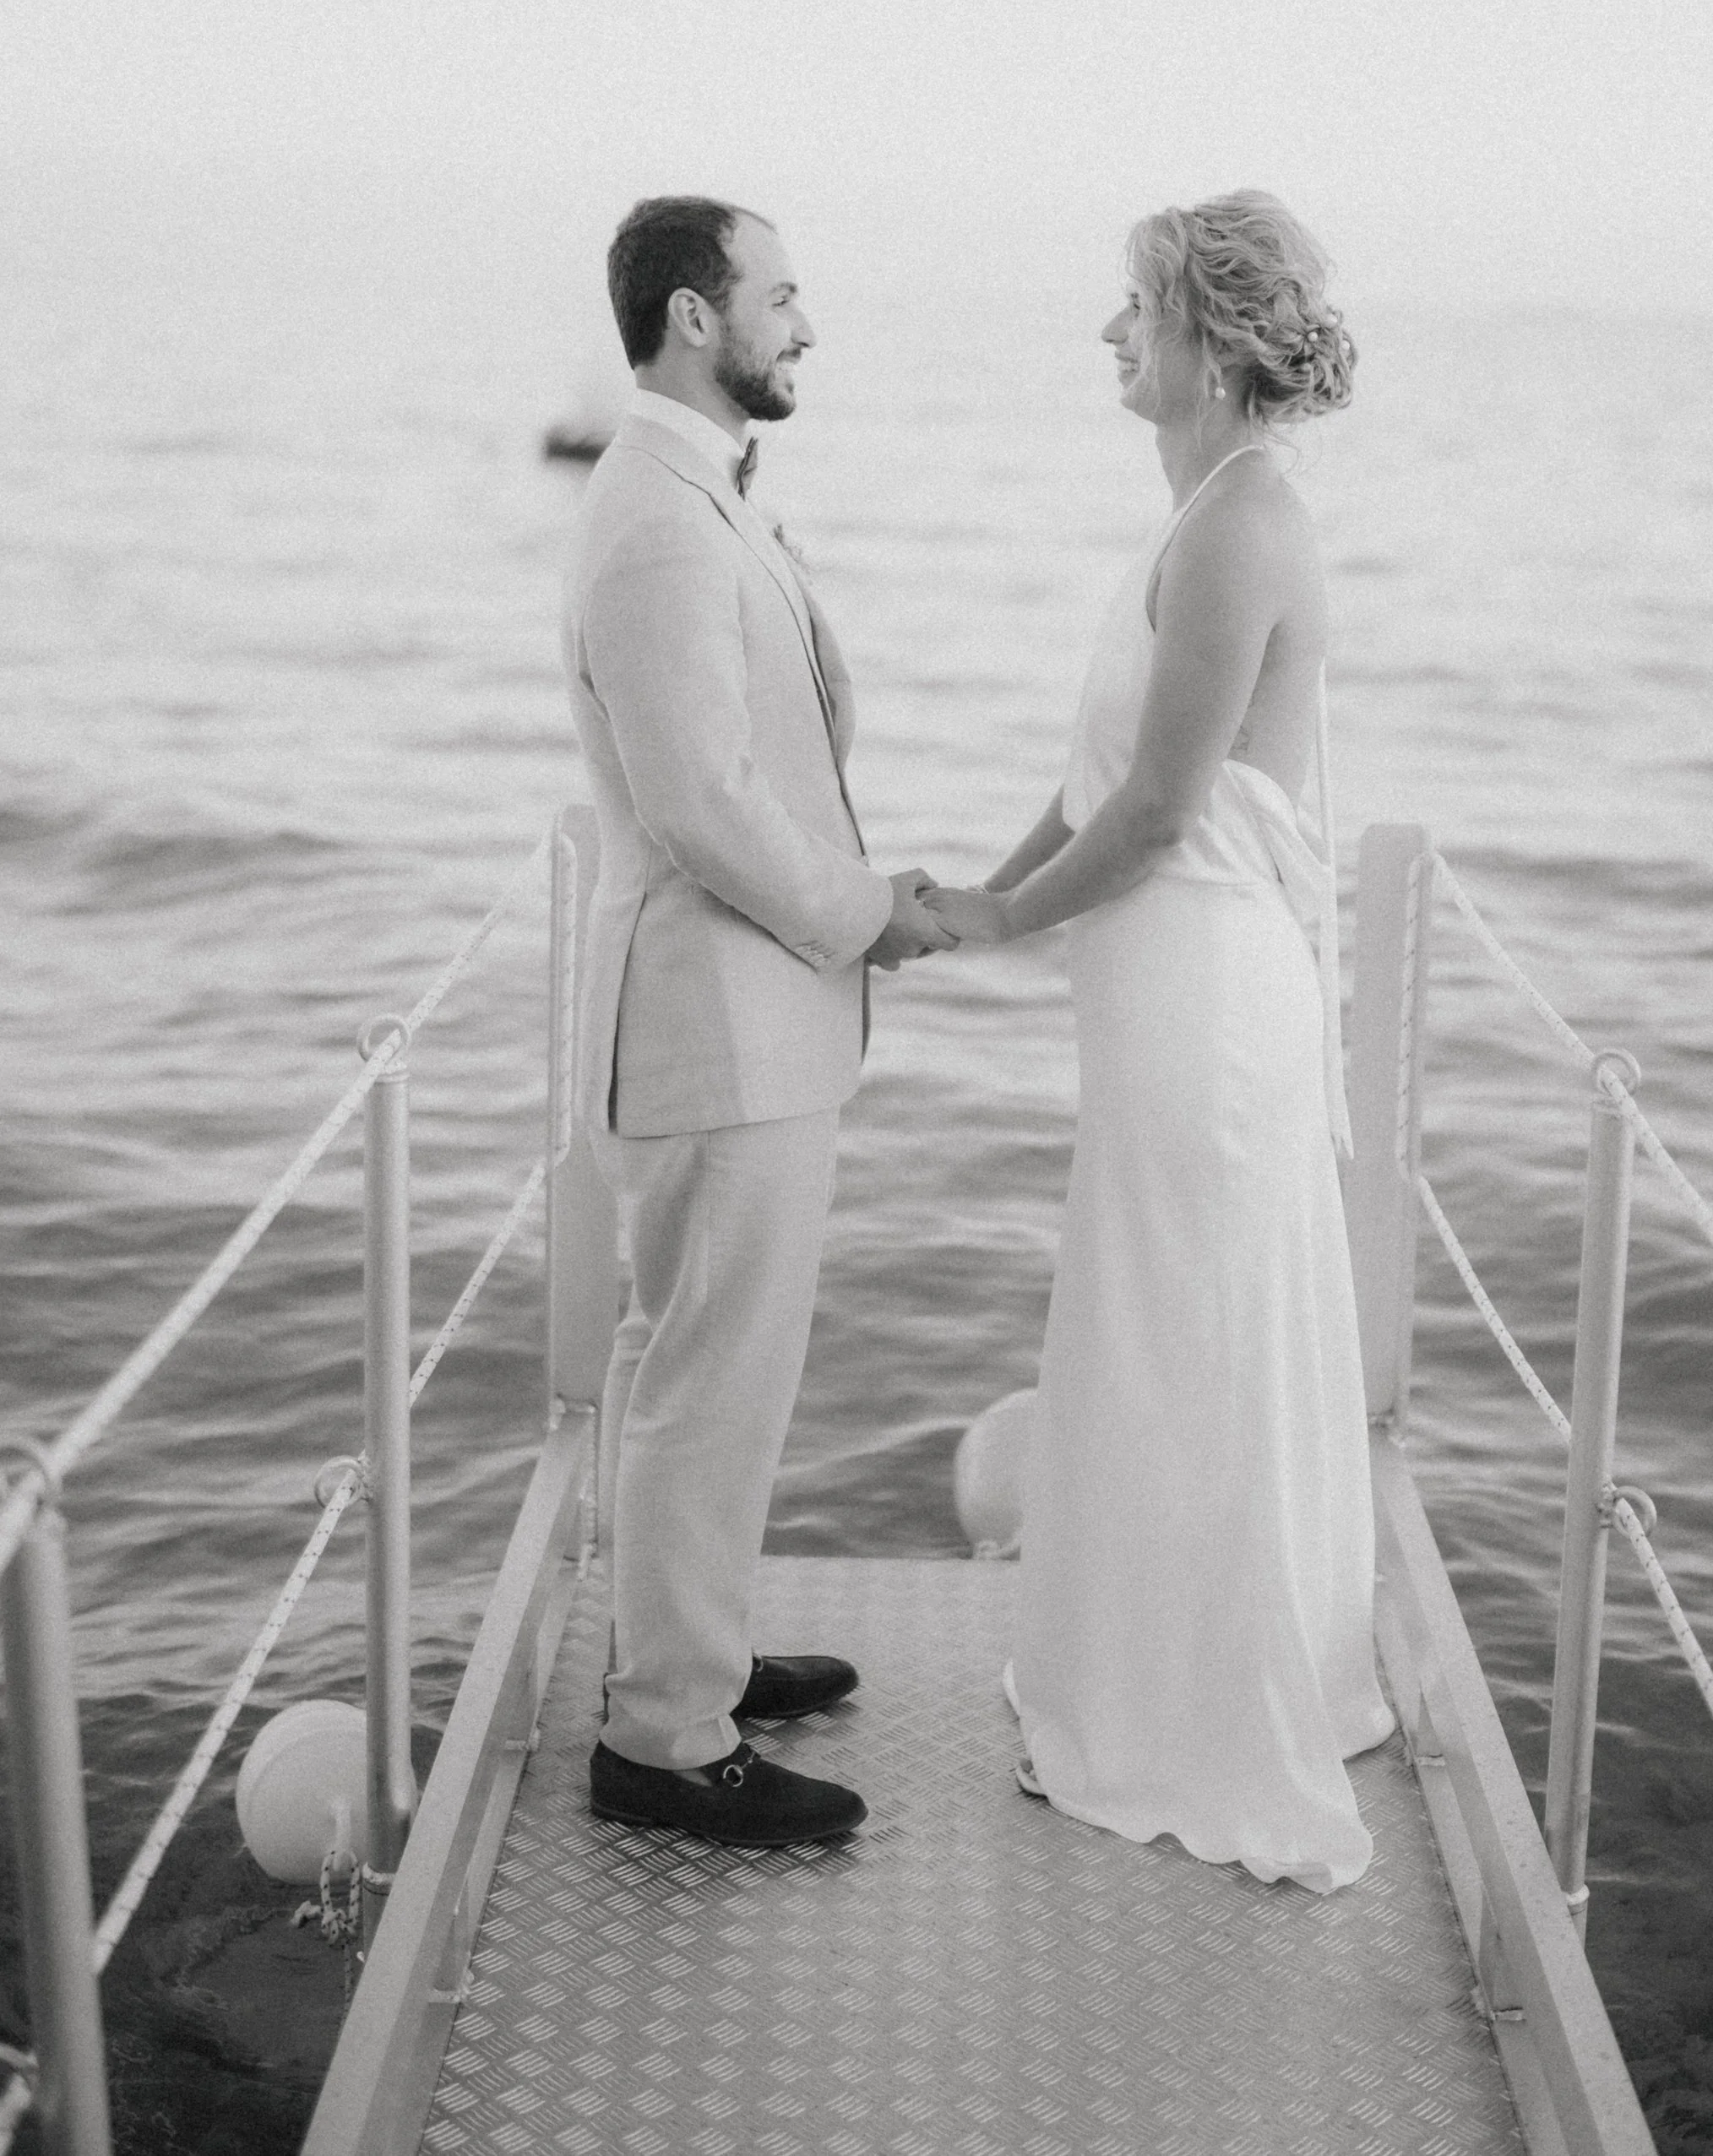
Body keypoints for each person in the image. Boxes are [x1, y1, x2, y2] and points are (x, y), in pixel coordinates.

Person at [925, 189, 1395, 1893]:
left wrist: (987, 924)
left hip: (1203, 1005)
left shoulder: (1235, 531)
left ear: (1202, 339)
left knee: (1186, 1345)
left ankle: (1195, 1720)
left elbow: (1151, 814)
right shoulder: (1194, 515)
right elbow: (1080, 786)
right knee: (1149, 1334)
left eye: (1131, 308)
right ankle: (1131, 1681)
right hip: (1151, 997)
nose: (1108, 333)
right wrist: (955, 896)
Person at [559, 194, 957, 1848]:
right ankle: (661, 1740)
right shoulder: (654, 517)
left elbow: (770, 754)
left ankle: (694, 1662)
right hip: (714, 1025)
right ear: (693, 319)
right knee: (705, 1381)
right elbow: (703, 806)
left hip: (755, 1021)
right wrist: (867, 914)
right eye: (780, 296)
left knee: (728, 1372)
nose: (804, 324)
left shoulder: (695, 497)